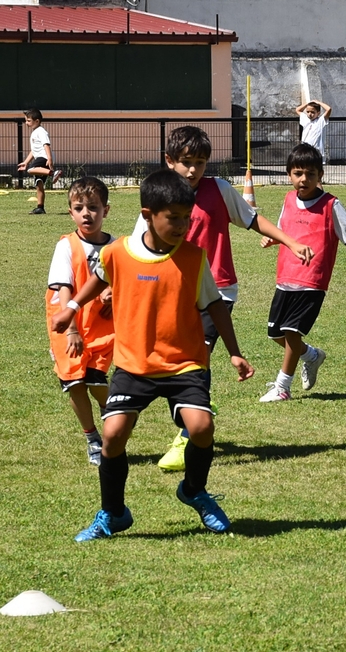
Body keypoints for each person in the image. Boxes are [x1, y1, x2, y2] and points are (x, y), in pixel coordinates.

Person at [50, 170, 255, 541]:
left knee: (202, 428)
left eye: (186, 217)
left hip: (184, 363)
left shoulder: (194, 258)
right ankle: (113, 514)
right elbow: (100, 274)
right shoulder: (118, 252)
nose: (182, 225)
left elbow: (215, 305)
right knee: (112, 435)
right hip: (134, 364)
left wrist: (235, 353)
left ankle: (194, 489)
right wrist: (74, 307)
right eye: (172, 217)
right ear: (148, 214)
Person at [134, 126, 312, 470]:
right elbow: (138, 245)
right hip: (174, 290)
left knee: (199, 355)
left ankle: (188, 433)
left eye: (200, 162)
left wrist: (289, 241)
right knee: (178, 359)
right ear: (169, 161)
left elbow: (252, 219)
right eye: (186, 162)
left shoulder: (219, 190)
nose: (193, 170)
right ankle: (196, 413)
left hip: (218, 289)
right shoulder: (159, 196)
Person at [259, 143, 346, 402]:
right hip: (285, 277)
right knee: (275, 334)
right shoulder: (288, 200)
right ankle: (311, 356)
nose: (304, 179)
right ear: (289, 174)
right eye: (298, 173)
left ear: (321, 176)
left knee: (292, 332)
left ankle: (283, 387)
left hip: (312, 281)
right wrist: (274, 240)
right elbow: (284, 228)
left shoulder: (330, 205)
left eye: (311, 174)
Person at [45, 177, 115, 466]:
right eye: (79, 208)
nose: (87, 213)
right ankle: (92, 438)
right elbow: (63, 288)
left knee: (97, 380)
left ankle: (111, 412)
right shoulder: (66, 246)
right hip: (67, 322)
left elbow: (121, 282)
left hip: (101, 325)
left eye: (93, 207)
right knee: (74, 381)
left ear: (106, 211)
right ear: (71, 212)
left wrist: (113, 295)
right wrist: (71, 328)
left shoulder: (115, 246)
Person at [17, 109, 62, 215]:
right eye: (26, 120)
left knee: (31, 170)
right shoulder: (35, 132)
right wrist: (26, 162)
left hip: (44, 158)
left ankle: (53, 173)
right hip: (40, 158)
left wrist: (49, 158)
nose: (26, 123)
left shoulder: (41, 131)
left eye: (28, 121)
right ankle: (40, 208)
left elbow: (46, 145)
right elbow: (34, 151)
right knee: (39, 183)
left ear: (37, 121)